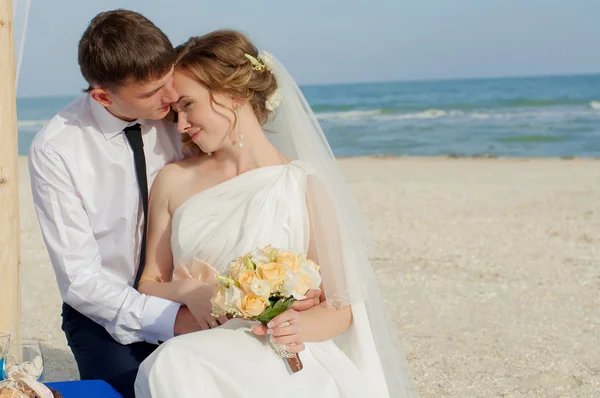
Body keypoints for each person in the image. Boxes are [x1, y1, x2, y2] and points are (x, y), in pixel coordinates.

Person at [134, 30, 420, 397]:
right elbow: (150, 282)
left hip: (282, 355)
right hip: (204, 347)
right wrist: (191, 290)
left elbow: (340, 308)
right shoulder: (173, 180)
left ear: (231, 95)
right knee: (174, 362)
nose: (181, 125)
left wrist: (295, 327)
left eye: (187, 105)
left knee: (174, 363)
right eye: (175, 112)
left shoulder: (303, 185)